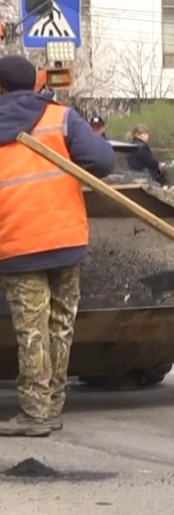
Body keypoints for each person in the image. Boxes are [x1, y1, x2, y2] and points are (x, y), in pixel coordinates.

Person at [0, 55, 115, 437]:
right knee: (60, 324)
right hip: (66, 238)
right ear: (34, 84)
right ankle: (51, 405)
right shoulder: (60, 117)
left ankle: (35, 413)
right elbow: (103, 161)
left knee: (31, 329)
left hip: (17, 242)